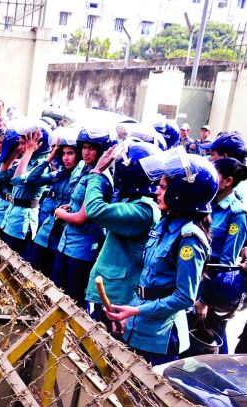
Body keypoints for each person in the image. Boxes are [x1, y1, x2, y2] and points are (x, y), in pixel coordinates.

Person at [106, 151, 218, 364]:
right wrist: (128, 316)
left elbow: (184, 297)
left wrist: (136, 311)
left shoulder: (189, 238)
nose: (157, 191)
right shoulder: (164, 224)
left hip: (160, 337)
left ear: (181, 193)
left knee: (144, 395)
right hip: (139, 325)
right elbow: (148, 281)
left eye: (164, 187)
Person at [84, 140, 161, 334]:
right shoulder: (134, 200)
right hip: (112, 288)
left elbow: (95, 210)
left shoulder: (143, 210)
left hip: (119, 294)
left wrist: (96, 173)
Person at [187, 157, 247, 355]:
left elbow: (226, 265)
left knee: (206, 342)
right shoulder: (205, 202)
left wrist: (205, 299)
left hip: (212, 287)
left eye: (215, 174)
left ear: (228, 181)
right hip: (193, 277)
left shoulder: (237, 213)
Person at [51, 127, 113, 304]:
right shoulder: (87, 171)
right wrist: (71, 206)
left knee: (72, 299)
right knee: (57, 293)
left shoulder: (99, 178)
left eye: (91, 148)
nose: (86, 152)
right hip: (68, 243)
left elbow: (82, 217)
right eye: (84, 147)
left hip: (82, 247)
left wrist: (59, 213)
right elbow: (80, 203)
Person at [27, 128, 79, 277]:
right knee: (31, 275)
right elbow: (32, 179)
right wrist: (50, 157)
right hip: (44, 233)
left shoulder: (81, 178)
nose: (65, 158)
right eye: (63, 154)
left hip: (61, 237)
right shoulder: (60, 173)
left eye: (70, 153)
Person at [0, 121, 50, 255]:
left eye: (23, 143)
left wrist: (28, 151)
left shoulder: (41, 165)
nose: (19, 147)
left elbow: (17, 180)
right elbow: (2, 175)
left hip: (22, 223)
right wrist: (13, 155)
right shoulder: (25, 160)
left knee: (14, 265)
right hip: (10, 218)